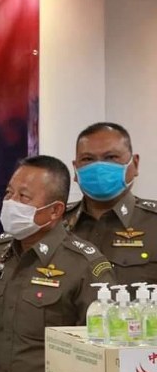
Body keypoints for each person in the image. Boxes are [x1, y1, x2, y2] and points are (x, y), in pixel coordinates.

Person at [0, 155, 115, 372]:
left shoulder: (84, 265)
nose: (11, 203)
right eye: (9, 193)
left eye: (24, 197)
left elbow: (101, 352)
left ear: (55, 210)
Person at [64, 122, 157, 285]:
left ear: (135, 164)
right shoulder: (54, 223)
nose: (98, 167)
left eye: (111, 157)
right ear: (75, 169)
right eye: (87, 159)